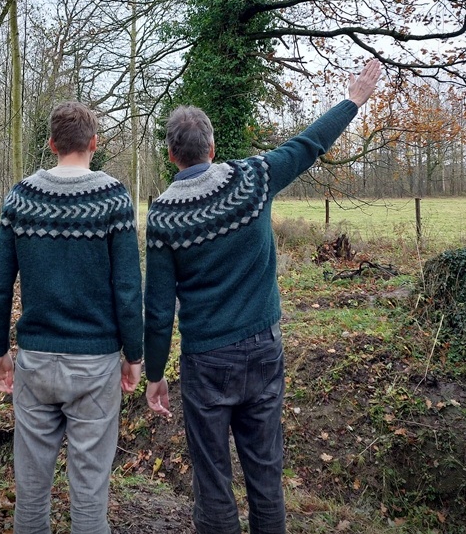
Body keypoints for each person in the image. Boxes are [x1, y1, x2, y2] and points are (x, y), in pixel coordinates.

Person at [143, 59, 383, 534]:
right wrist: (353, 100)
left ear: (172, 155)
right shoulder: (253, 179)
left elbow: (158, 308)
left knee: (213, 481)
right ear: (212, 147)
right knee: (266, 476)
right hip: (263, 350)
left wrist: (154, 374)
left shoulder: (164, 215)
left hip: (205, 362)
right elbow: (309, 144)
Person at [0, 101, 144, 534]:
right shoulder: (113, 198)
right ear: (94, 143)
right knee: (90, 498)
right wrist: (134, 355)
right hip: (95, 366)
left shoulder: (21, 197)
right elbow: (128, 288)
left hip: (35, 363)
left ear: (52, 144)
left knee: (31, 495)